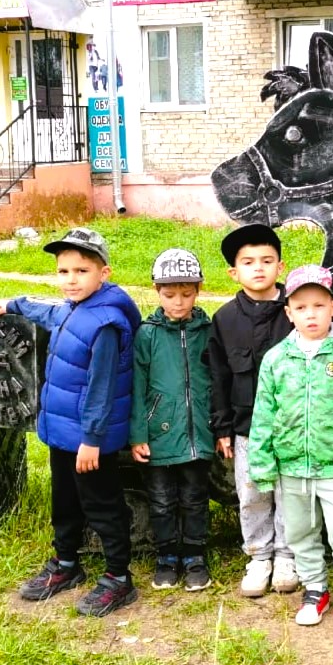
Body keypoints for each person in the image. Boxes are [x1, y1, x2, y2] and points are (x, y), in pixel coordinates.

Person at [7, 228, 143, 617]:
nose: (71, 279)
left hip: (89, 440)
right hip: (63, 433)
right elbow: (47, 312)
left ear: (104, 273)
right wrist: (12, 304)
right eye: (63, 271)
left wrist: (92, 439)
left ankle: (118, 577)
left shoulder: (106, 323)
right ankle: (66, 563)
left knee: (101, 504)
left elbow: (102, 387)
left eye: (81, 271)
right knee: (64, 500)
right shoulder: (73, 308)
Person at [248, 265, 333, 638]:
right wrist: (262, 463)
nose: (311, 314)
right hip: (291, 467)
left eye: (319, 306)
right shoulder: (277, 358)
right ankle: (315, 589)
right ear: (289, 312)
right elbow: (263, 414)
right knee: (300, 533)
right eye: (301, 307)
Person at [205, 223, 296, 597]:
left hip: (294, 427)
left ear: (280, 266)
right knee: (253, 492)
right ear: (233, 272)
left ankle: (288, 555)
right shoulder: (225, 319)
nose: (258, 268)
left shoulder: (297, 310)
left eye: (267, 260)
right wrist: (222, 427)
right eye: (248, 262)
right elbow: (219, 376)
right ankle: (259, 556)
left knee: (291, 493)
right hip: (246, 428)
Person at [130, 248, 215, 592]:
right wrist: (138, 433)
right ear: (156, 292)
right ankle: (166, 556)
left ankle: (194, 555)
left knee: (195, 497)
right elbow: (137, 385)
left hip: (198, 432)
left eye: (186, 293)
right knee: (162, 500)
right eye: (169, 295)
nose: (178, 302)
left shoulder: (208, 331)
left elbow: (218, 377)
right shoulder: (147, 334)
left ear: (198, 290)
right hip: (159, 433)